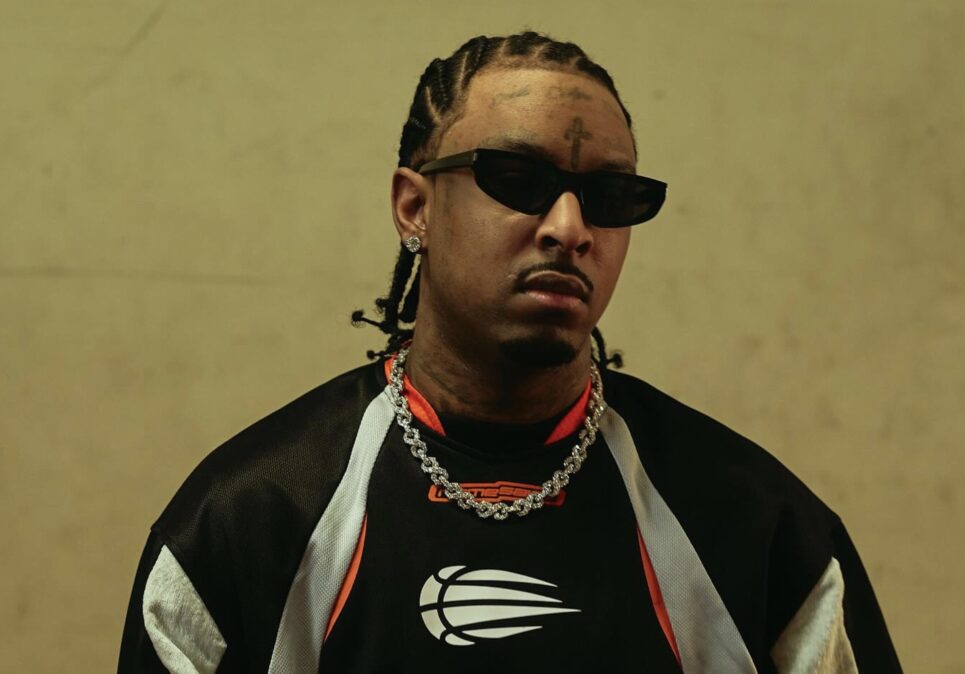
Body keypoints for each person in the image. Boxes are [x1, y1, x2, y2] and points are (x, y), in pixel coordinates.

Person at [118, 31, 902, 673]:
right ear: (414, 206)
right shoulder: (249, 521)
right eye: (518, 178)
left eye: (610, 196)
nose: (569, 227)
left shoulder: (756, 527)